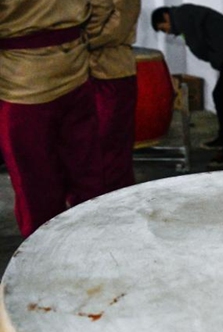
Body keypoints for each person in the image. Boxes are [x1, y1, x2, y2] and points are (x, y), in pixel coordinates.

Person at [0, 0, 106, 238]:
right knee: (87, 175)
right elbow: (103, 5)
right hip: (75, 69)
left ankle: (45, 259)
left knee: (35, 187)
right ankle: (93, 246)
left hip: (23, 84)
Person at [151, 4, 223, 169]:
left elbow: (197, 45)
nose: (167, 32)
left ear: (165, 16)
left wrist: (211, 55)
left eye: (163, 28)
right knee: (220, 96)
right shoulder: (184, 16)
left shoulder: (183, 15)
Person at [86, 0, 141, 192]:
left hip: (112, 72)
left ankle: (112, 207)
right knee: (85, 152)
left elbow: (118, 25)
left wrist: (75, 39)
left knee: (110, 151)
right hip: (79, 72)